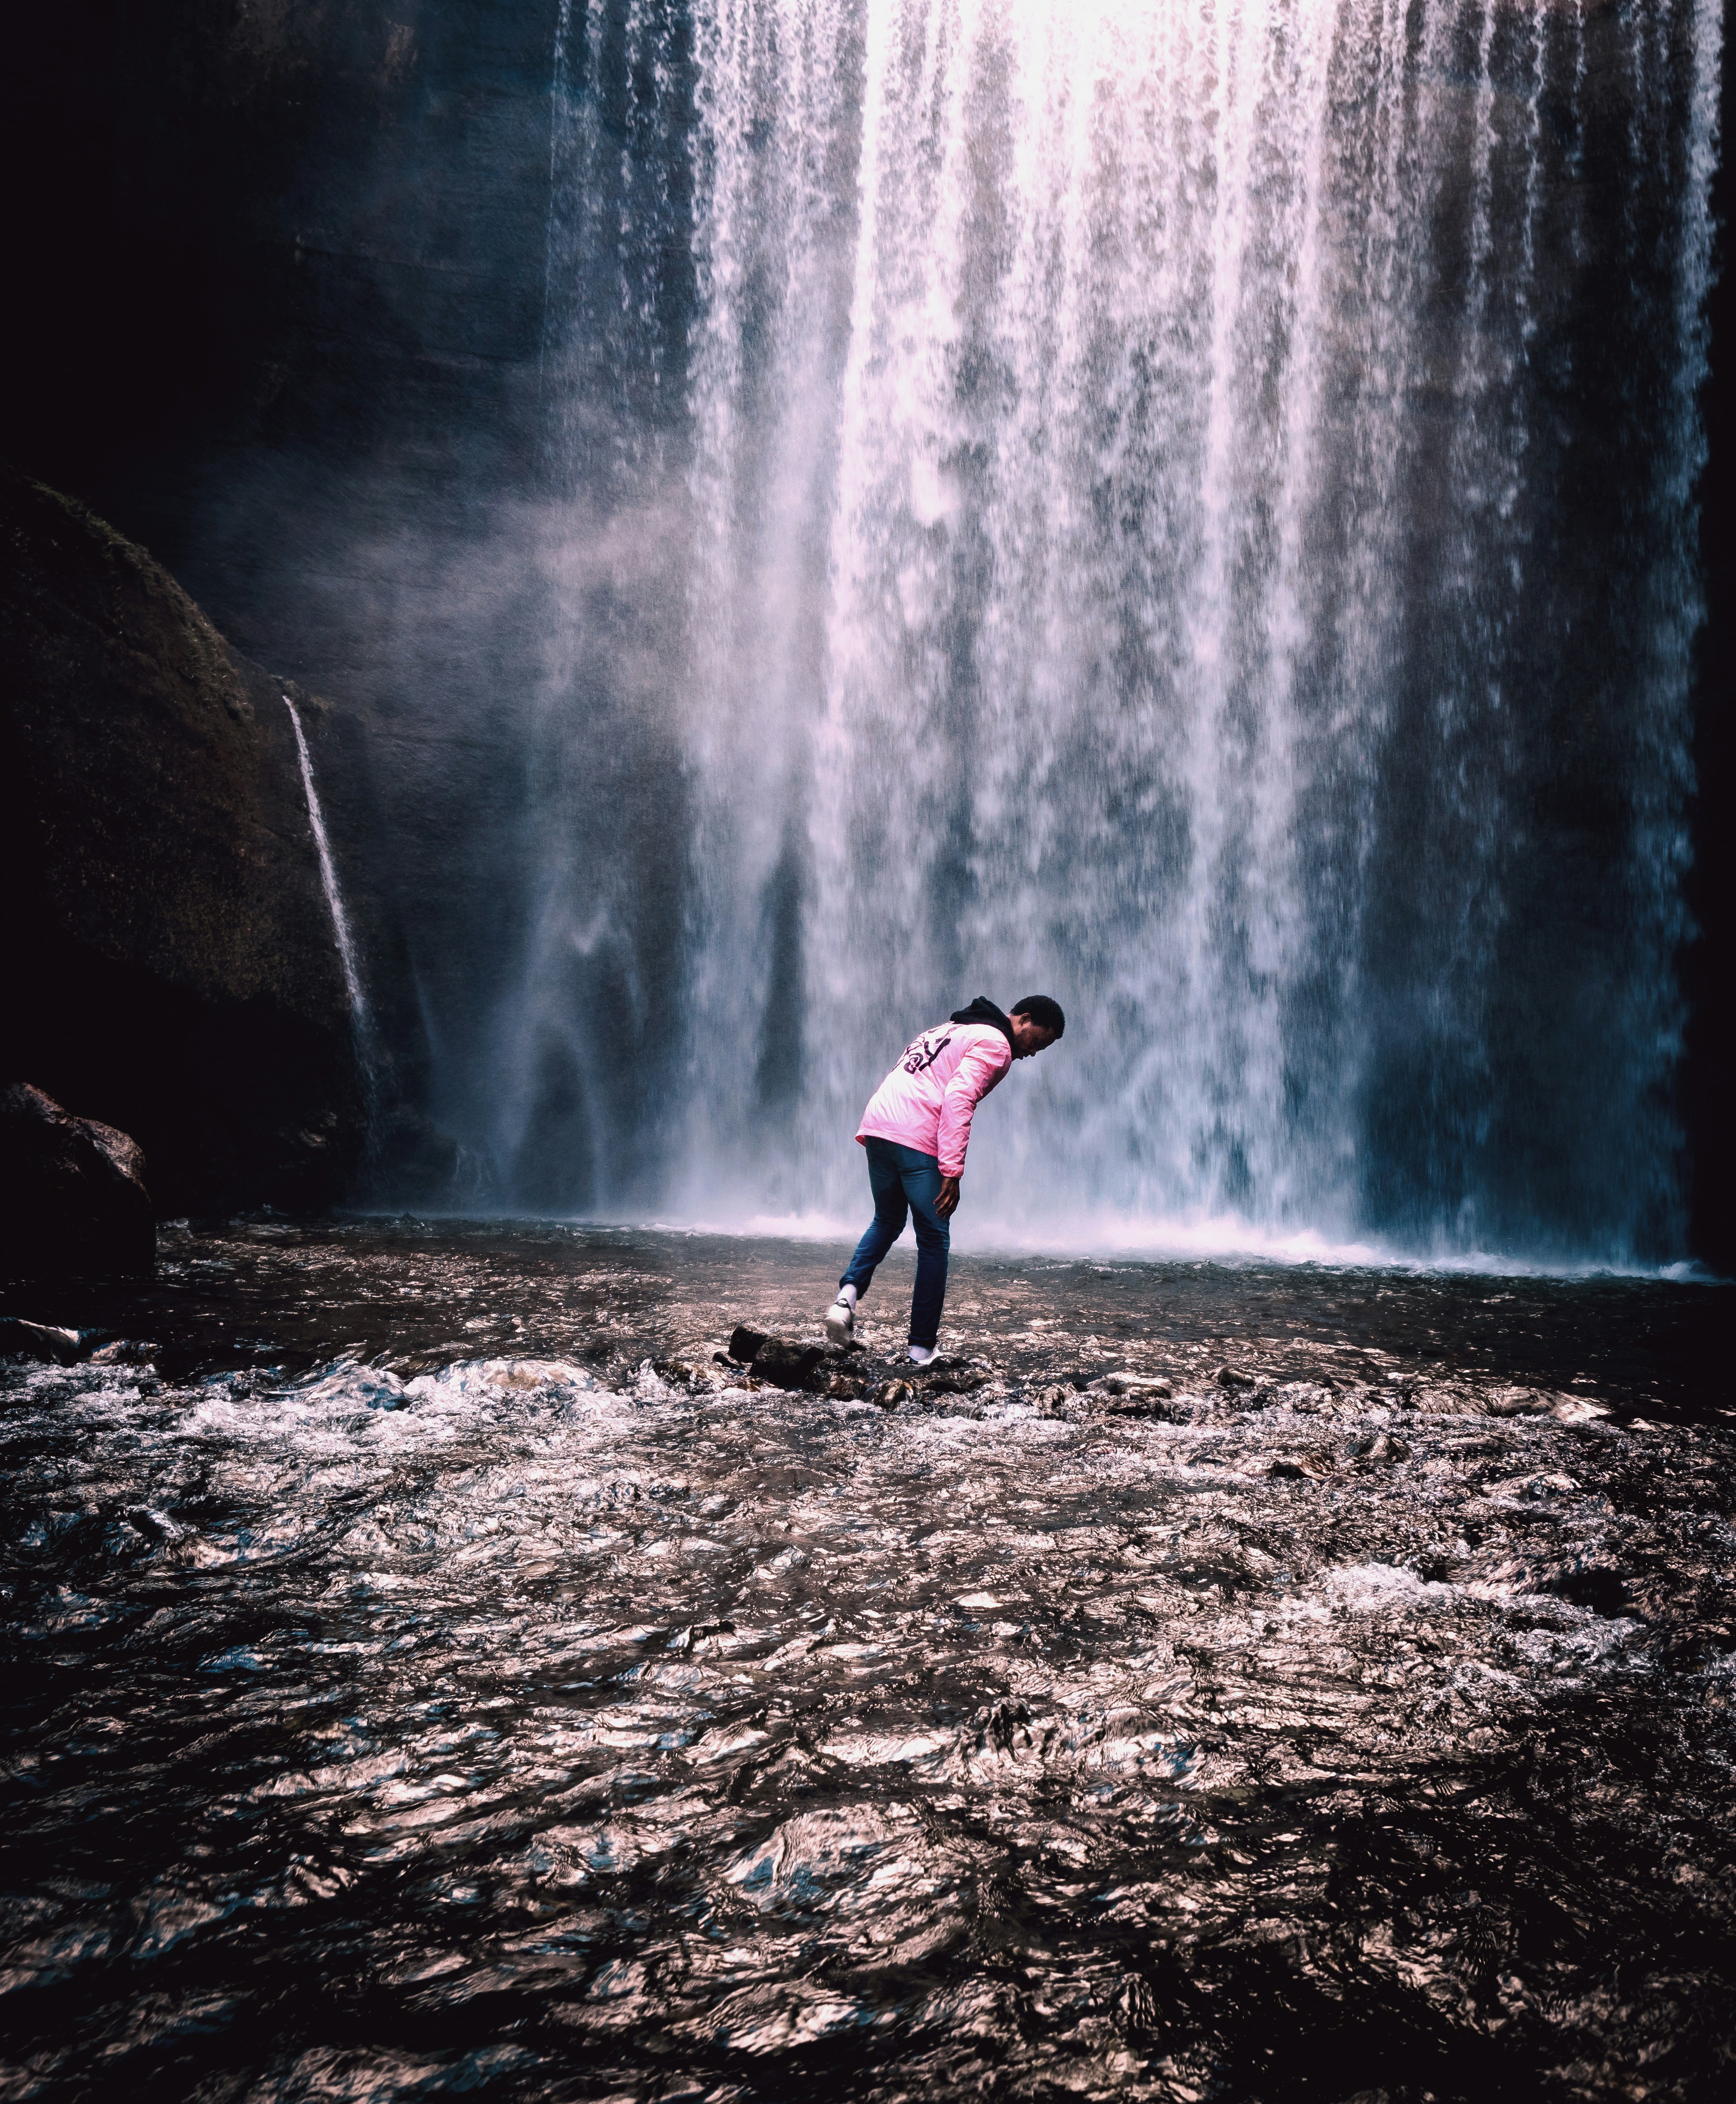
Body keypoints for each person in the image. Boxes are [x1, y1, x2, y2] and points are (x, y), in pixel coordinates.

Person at [825, 994, 1065, 1363]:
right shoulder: (996, 1044)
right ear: (1025, 1020)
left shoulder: (947, 1029)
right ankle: (921, 1348)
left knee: (887, 1220)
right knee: (934, 1240)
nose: (1034, 1053)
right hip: (916, 1135)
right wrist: (952, 1171)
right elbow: (957, 1098)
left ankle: (846, 1301)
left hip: (878, 1125)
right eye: (1039, 1042)